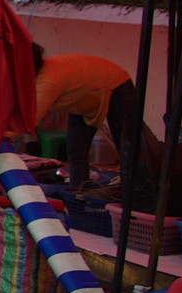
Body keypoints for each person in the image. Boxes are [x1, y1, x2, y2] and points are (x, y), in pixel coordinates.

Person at [32, 45, 137, 190]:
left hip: (115, 84)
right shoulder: (38, 77)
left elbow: (28, 120)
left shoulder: (48, 81)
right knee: (76, 149)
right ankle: (78, 191)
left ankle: (133, 193)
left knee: (126, 145)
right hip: (84, 95)